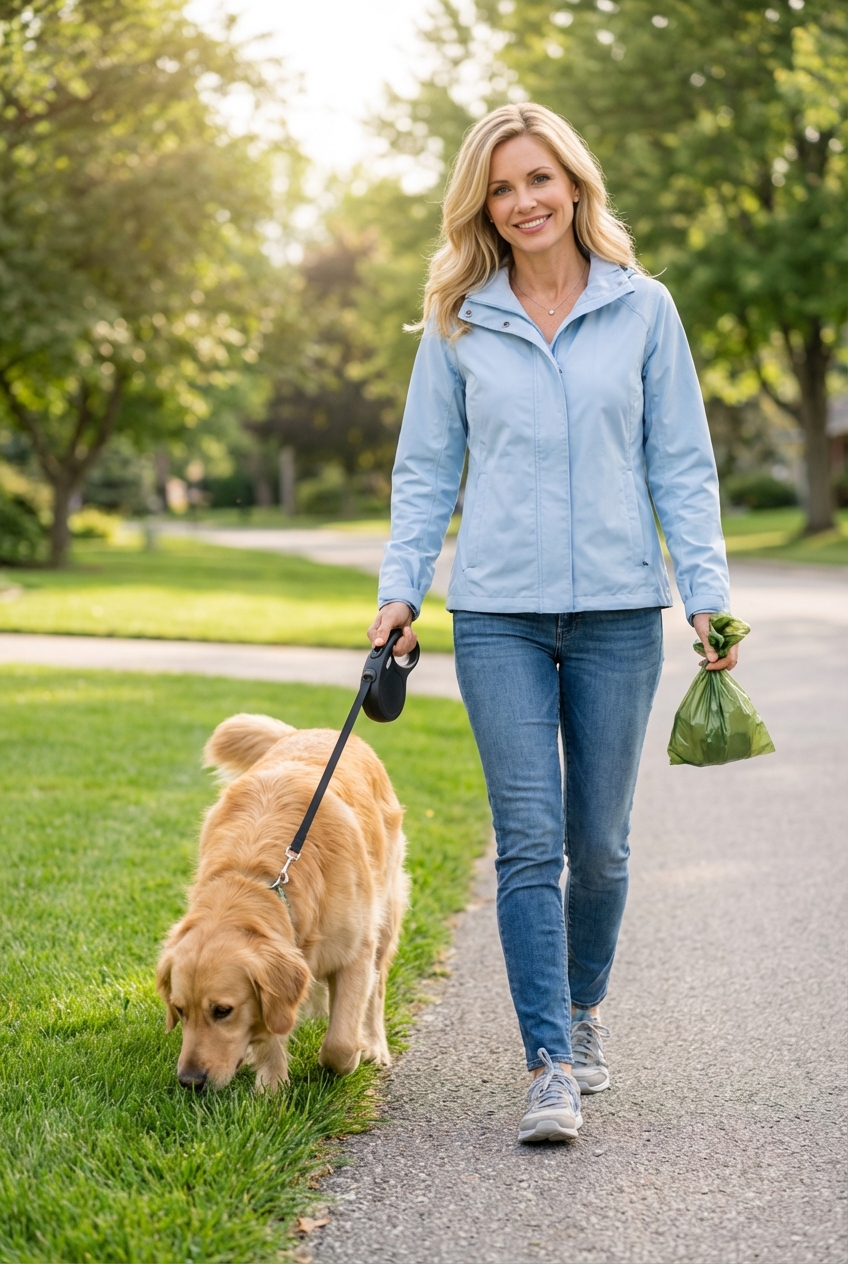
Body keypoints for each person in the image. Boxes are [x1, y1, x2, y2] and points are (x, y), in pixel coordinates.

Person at [367, 102, 737, 1144]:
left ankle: (582, 1013)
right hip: (497, 616)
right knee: (528, 839)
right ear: (478, 205)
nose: (521, 201)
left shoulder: (641, 307)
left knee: (600, 845)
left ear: (573, 184)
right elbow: (424, 470)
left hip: (621, 610)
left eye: (536, 179)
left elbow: (681, 465)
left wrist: (704, 593)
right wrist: (400, 588)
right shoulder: (458, 318)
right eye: (498, 186)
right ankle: (546, 1063)